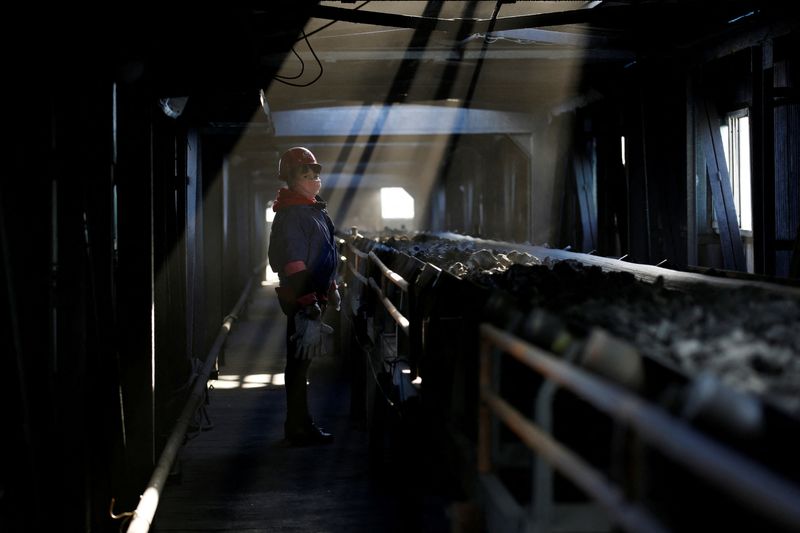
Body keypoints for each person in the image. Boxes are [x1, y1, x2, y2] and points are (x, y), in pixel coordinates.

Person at [268, 146, 341, 446]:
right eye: (306, 175)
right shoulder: (295, 214)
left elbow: (324, 254)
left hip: (313, 296)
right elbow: (294, 263)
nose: (314, 181)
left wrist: (331, 286)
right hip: (302, 299)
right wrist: (309, 302)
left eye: (315, 175)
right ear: (292, 180)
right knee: (299, 366)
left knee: (302, 364)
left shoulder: (312, 210)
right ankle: (298, 427)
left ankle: (299, 423)